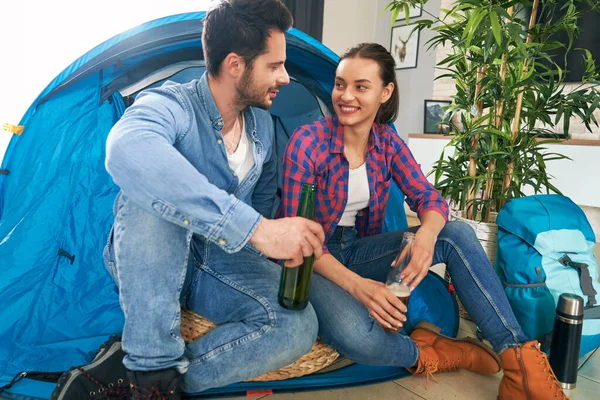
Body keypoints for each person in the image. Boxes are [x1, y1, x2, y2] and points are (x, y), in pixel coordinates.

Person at [50, 1, 325, 399]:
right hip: (152, 257)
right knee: (150, 199)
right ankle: (151, 362)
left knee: (298, 327)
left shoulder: (263, 123)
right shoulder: (172, 104)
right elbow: (127, 149)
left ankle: (143, 381)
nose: (285, 77)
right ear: (235, 64)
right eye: (274, 65)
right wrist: (256, 229)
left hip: (223, 261)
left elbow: (263, 196)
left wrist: (269, 241)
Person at [279, 42, 567, 400]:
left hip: (356, 247)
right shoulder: (307, 143)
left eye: (360, 86)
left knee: (455, 233)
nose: (345, 95)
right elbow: (299, 239)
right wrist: (359, 288)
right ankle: (433, 353)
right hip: (310, 261)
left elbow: (427, 198)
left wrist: (429, 234)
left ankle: (516, 360)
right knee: (356, 334)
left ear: (385, 93)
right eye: (340, 84)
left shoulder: (387, 141)